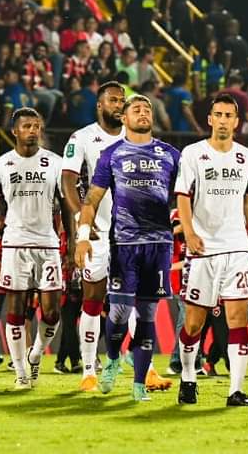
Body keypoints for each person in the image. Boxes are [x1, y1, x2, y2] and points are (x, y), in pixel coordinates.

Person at [75, 95, 180, 402]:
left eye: (147, 109)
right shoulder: (111, 154)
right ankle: (112, 359)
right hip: (124, 244)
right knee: (119, 313)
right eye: (137, 109)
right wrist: (83, 235)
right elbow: (92, 199)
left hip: (158, 244)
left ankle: (138, 385)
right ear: (123, 118)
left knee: (146, 315)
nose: (144, 113)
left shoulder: (171, 154)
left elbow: (188, 192)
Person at [174, 93, 248, 407]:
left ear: (236, 122)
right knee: (194, 324)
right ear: (210, 119)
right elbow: (182, 196)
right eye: (218, 115)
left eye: (229, 115)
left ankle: (235, 390)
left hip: (237, 246)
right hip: (203, 250)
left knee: (238, 318)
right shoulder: (193, 154)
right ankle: (187, 378)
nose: (224, 120)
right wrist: (189, 232)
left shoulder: (247, 158)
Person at [0, 108, 66, 390]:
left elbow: (65, 205)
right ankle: (20, 372)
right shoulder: (2, 165)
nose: (32, 130)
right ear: (15, 131)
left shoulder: (54, 163)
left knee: (52, 312)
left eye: (36, 125)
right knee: (15, 310)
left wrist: (74, 240)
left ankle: (37, 352)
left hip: (47, 243)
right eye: (27, 126)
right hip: (15, 243)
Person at [61, 81, 128, 390]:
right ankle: (89, 369)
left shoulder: (135, 136)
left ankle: (146, 367)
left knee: (137, 300)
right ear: (100, 105)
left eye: (122, 100)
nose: (119, 105)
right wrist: (81, 222)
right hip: (99, 233)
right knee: (92, 299)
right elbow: (68, 181)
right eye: (113, 100)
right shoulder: (82, 138)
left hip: (131, 232)